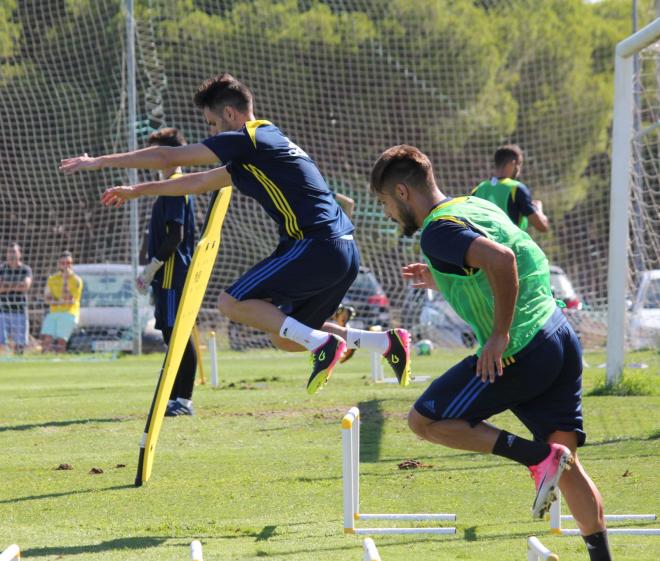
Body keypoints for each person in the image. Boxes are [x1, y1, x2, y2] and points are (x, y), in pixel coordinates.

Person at [60, 73, 411, 393]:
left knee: (231, 303)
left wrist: (100, 161)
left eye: (212, 124)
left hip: (316, 244)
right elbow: (195, 182)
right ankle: (384, 343)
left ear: (230, 114)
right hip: (343, 250)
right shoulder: (259, 151)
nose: (212, 133)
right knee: (287, 338)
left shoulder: (250, 138)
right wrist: (136, 191)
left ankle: (324, 345)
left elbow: (169, 156)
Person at [370, 145, 611, 561]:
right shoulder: (471, 204)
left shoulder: (436, 230)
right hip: (557, 332)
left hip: (521, 348)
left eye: (385, 202)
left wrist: (498, 335)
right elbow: (497, 253)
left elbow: (501, 260)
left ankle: (537, 458)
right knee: (568, 469)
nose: (389, 212)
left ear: (404, 193)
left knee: (425, 420)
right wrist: (438, 276)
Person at [141, 127, 198, 416]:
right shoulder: (167, 187)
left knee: (178, 333)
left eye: (155, 152)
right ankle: (175, 397)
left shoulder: (176, 185)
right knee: (168, 333)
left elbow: (176, 235)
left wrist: (151, 268)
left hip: (173, 274)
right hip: (165, 276)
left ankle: (184, 401)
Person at [472, 144, 549, 232]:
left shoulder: (478, 189)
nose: (519, 169)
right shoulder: (516, 188)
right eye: (519, 164)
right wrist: (539, 210)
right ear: (513, 163)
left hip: (483, 244)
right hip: (510, 245)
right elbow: (542, 227)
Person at [41, 251, 83, 353]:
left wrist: (65, 281)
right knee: (46, 339)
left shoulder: (76, 280)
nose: (66, 266)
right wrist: (57, 302)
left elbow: (69, 300)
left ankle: (60, 361)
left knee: (61, 341)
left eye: (68, 263)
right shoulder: (52, 279)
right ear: (59, 265)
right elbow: (47, 298)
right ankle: (45, 362)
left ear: (72, 264)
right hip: (54, 312)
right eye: (63, 263)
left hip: (69, 313)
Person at [0, 243, 33, 354]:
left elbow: (25, 287)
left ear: (20, 254)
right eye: (9, 252)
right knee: (1, 343)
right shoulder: (1, 269)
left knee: (20, 346)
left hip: (20, 311)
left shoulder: (25, 269)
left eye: (14, 252)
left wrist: (6, 286)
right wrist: (16, 285)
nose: (11, 255)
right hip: (2, 311)